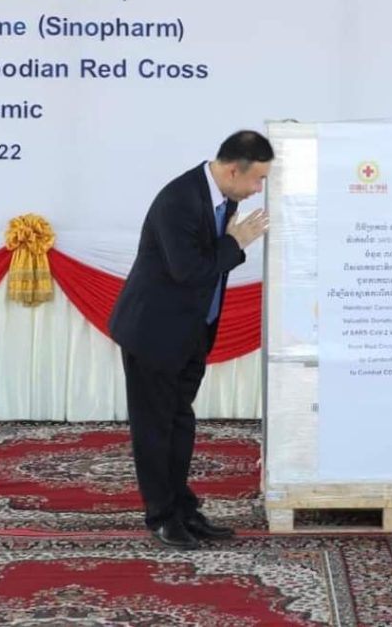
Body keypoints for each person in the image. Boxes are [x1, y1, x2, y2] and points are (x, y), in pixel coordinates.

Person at [109, 130, 272, 549]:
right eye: (257, 179)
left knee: (179, 422)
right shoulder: (178, 200)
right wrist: (236, 243)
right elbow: (189, 270)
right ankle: (162, 517)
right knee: (155, 428)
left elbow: (209, 264)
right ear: (233, 170)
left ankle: (183, 508)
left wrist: (229, 245)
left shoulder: (224, 198)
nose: (259, 190)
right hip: (154, 332)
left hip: (192, 329)